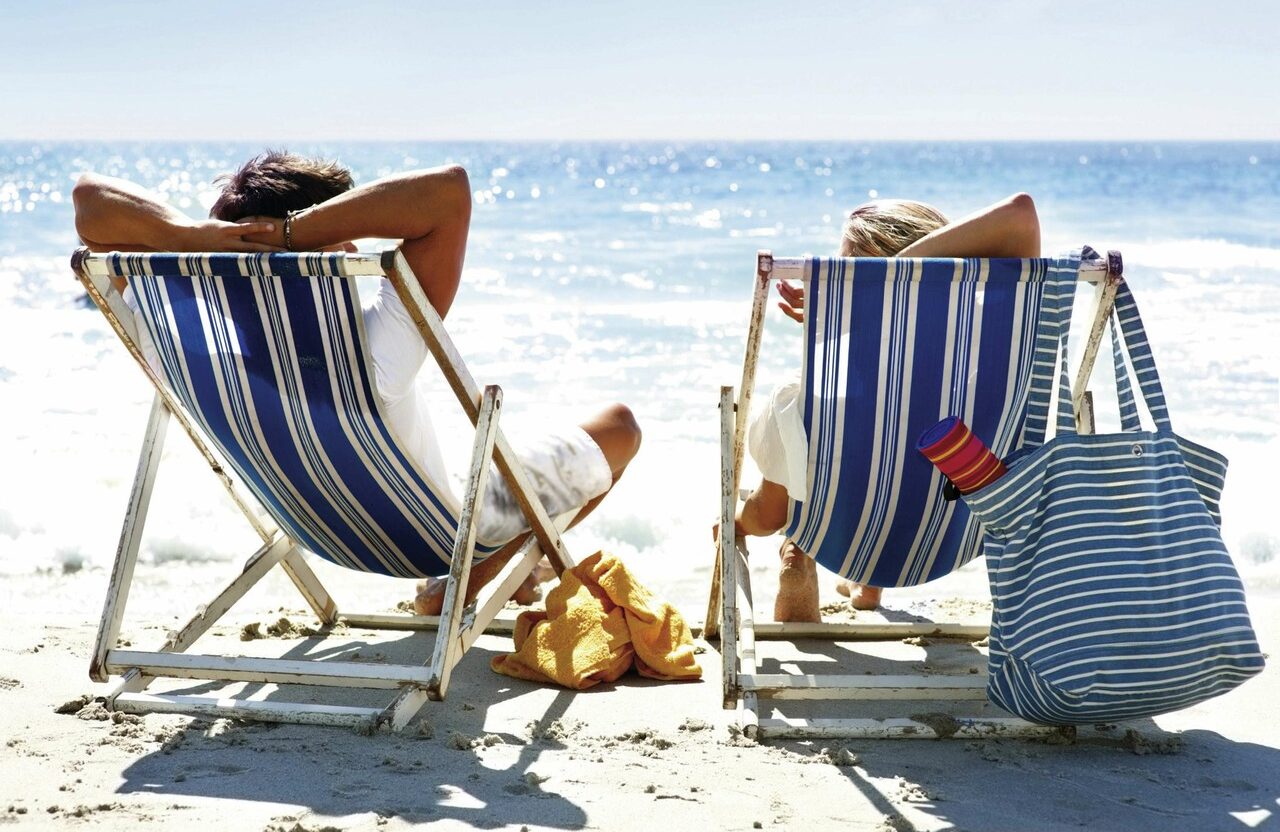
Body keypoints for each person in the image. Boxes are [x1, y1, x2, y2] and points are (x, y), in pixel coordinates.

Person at [72, 151, 642, 614]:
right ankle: (469, 581)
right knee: (619, 426)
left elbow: (89, 202)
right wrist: (294, 235)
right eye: (344, 232)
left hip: (317, 532)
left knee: (505, 467)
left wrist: (196, 235)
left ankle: (506, 571)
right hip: (437, 535)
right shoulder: (373, 352)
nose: (351, 247)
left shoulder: (180, 339)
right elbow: (449, 193)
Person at [734, 193, 1041, 622]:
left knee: (800, 447)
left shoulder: (820, 406)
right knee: (916, 436)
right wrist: (870, 299)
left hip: (842, 534)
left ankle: (783, 541)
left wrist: (864, 298)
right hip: (949, 538)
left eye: (850, 276)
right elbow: (1021, 216)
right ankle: (867, 585)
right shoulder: (989, 362)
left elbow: (771, 513)